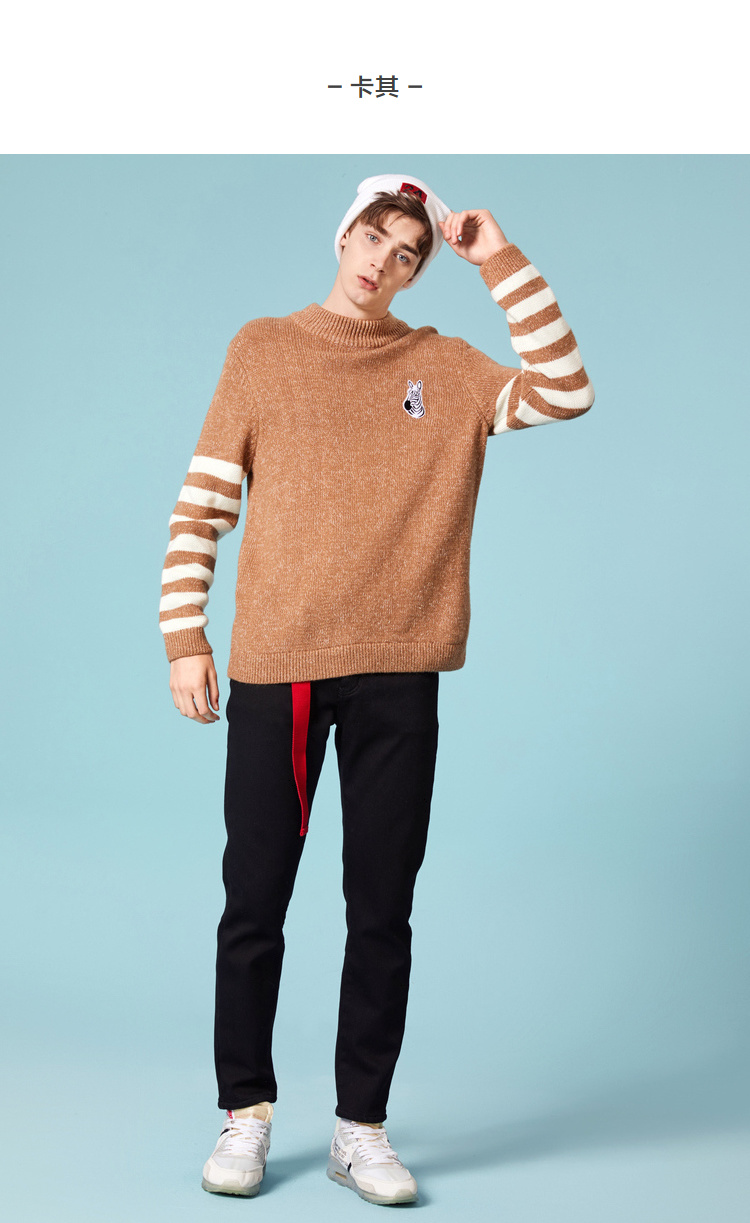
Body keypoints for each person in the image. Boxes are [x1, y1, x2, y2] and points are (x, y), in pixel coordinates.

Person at [158, 172, 595, 1206]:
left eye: (408, 253)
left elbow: (565, 388)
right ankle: (245, 1112)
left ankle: (361, 1127)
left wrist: (496, 257)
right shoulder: (263, 348)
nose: (383, 261)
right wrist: (185, 636)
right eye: (373, 238)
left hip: (400, 669)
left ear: (415, 271)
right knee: (254, 901)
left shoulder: (443, 366)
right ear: (343, 235)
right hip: (281, 665)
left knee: (382, 908)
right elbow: (204, 499)